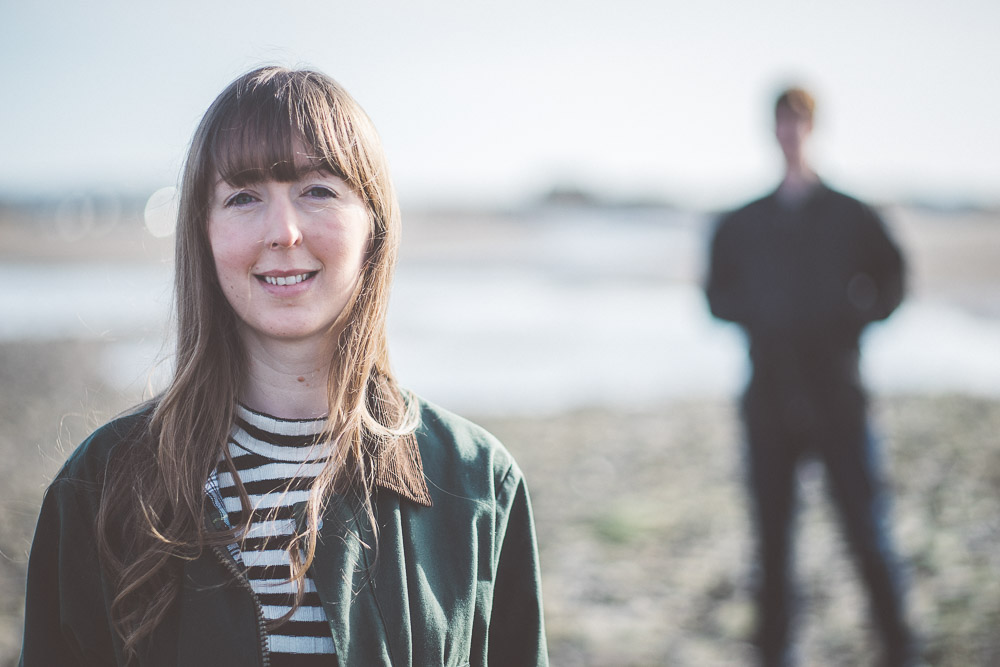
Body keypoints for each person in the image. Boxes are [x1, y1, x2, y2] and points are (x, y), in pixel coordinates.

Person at [20, 66, 548, 667]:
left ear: (373, 223)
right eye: (243, 197)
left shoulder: (478, 484)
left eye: (317, 190)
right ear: (204, 232)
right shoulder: (99, 486)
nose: (284, 232)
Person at [705, 87, 912, 666]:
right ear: (771, 131)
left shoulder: (850, 214)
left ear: (812, 128)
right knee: (773, 548)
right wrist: (761, 315)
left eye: (799, 122)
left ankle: (900, 649)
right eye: (781, 122)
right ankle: (774, 656)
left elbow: (893, 280)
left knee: (867, 535)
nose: (790, 132)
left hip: (839, 400)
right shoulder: (745, 222)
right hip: (768, 401)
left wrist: (851, 319)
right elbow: (715, 295)